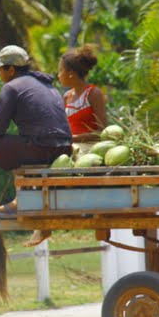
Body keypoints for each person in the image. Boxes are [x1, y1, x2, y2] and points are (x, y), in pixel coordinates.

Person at [0, 45, 72, 220]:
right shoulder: (47, 84)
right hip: (65, 149)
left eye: (0, 70)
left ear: (11, 69)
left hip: (40, 149)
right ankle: (18, 200)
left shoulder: (11, 87)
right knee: (16, 145)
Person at [25, 44, 108, 246]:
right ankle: (43, 222)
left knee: (64, 170)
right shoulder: (66, 97)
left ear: (71, 74)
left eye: (61, 70)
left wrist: (75, 139)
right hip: (70, 147)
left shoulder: (93, 94)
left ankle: (47, 224)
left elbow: (103, 131)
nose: (58, 75)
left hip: (89, 148)